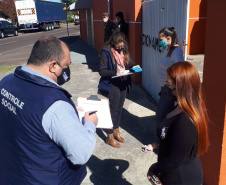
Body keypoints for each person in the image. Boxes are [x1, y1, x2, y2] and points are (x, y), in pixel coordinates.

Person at [0, 36, 98, 184]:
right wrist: (90, 124)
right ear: (53, 66)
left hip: (11, 173)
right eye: (65, 66)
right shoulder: (54, 104)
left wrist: (67, 117)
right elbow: (81, 153)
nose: (66, 71)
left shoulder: (6, 82)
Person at [147, 61, 210, 185]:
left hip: (181, 177)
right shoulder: (178, 108)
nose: (167, 88)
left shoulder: (186, 121)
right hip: (171, 172)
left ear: (182, 86)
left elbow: (174, 160)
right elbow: (175, 141)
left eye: (169, 84)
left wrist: (153, 169)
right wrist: (157, 145)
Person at [142, 27, 184, 152]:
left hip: (169, 89)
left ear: (168, 38)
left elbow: (181, 69)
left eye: (161, 39)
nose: (159, 41)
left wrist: (171, 83)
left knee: (161, 115)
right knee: (166, 115)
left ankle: (161, 143)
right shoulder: (169, 49)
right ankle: (167, 141)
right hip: (165, 88)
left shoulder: (176, 51)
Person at [98, 32, 140, 148]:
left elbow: (129, 63)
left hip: (123, 82)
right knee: (113, 110)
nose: (120, 48)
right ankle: (109, 136)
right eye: (118, 46)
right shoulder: (106, 53)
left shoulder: (123, 50)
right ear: (113, 44)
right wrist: (115, 72)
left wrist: (134, 66)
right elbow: (102, 71)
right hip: (113, 84)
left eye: (122, 46)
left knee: (120, 109)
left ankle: (116, 131)